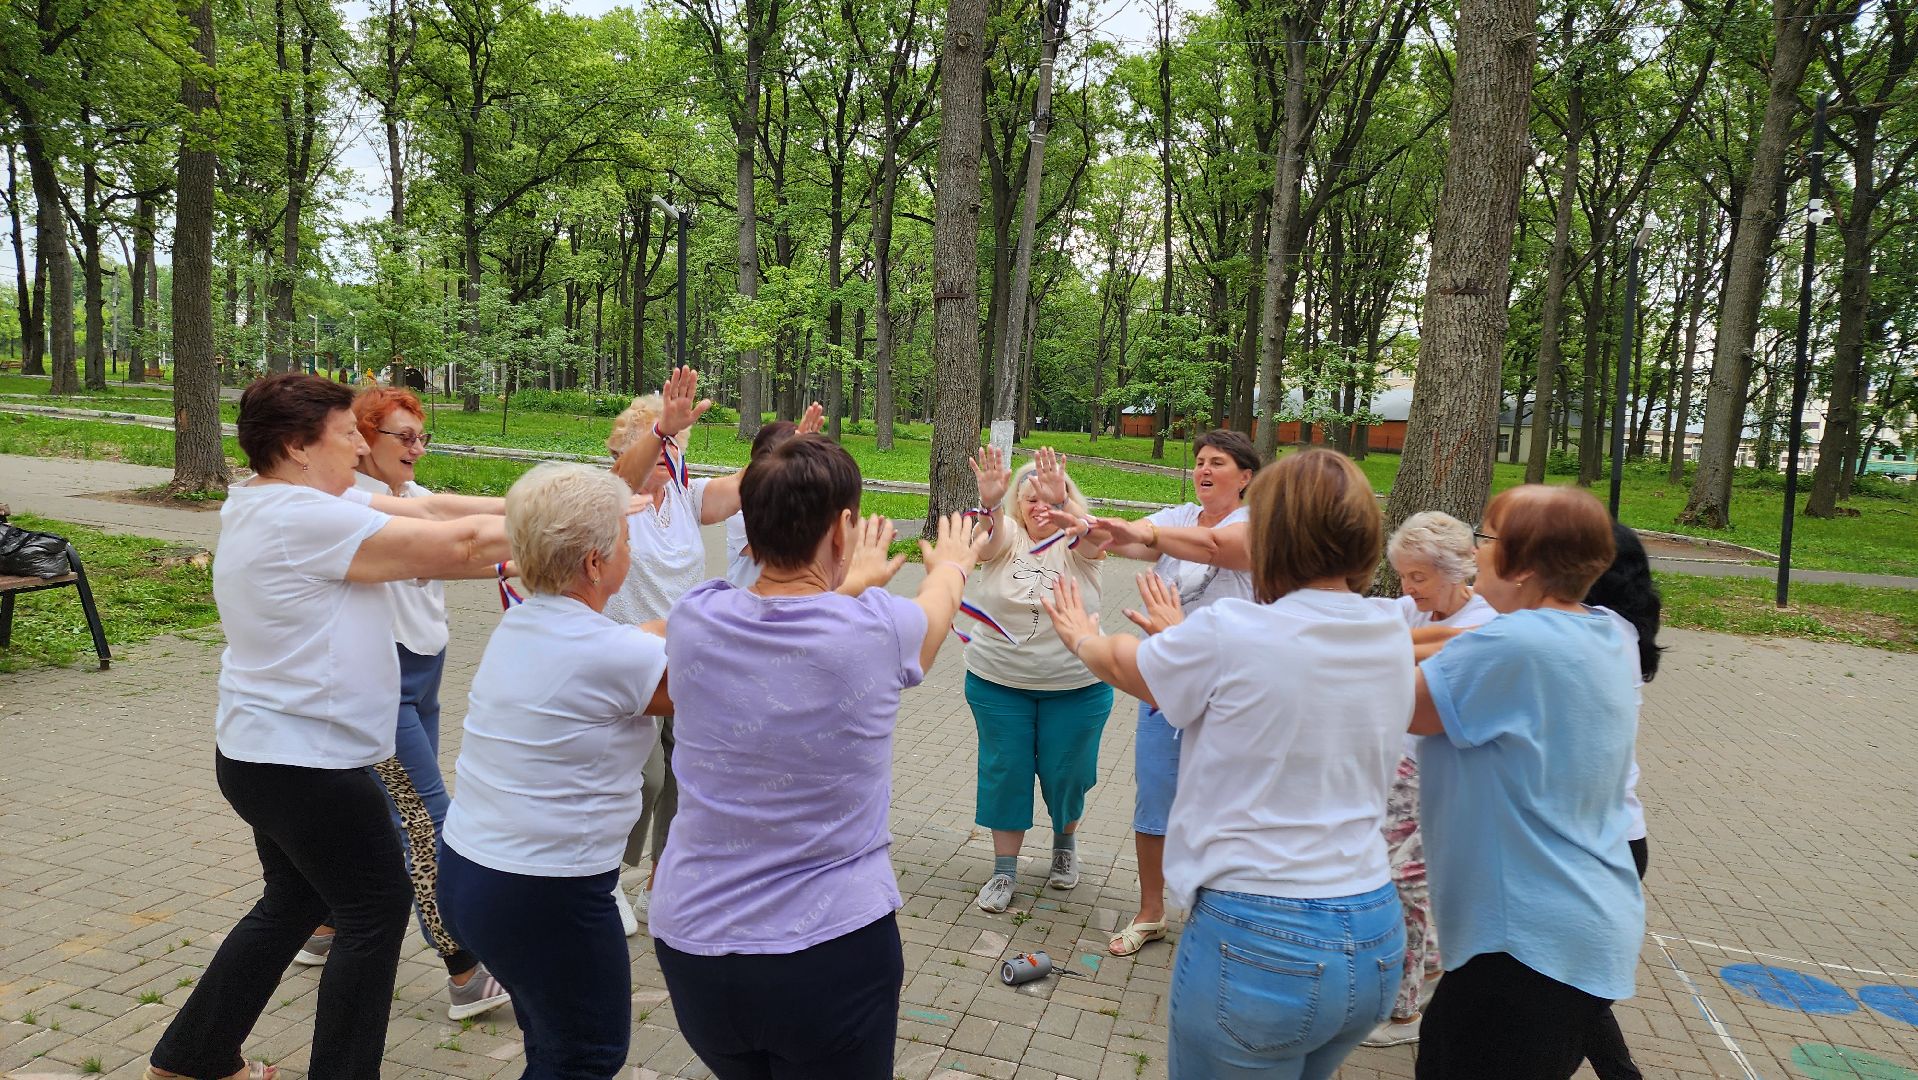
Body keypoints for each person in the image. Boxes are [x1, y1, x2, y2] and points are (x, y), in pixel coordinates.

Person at [145, 373, 511, 1080]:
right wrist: (573, 521)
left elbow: (435, 515)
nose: (360, 447)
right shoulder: (302, 517)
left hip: (267, 754)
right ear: (297, 447)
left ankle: (193, 1058)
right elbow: (460, 546)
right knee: (374, 910)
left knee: (295, 900)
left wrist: (554, 517)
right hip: (306, 766)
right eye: (348, 435)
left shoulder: (276, 499)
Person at [1044, 448, 1412, 1079]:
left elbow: (1125, 667)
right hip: (1374, 931)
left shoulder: (1237, 631)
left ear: (1267, 535)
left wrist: (1079, 631)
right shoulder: (1392, 626)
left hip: (1264, 936)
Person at [650, 436, 986, 1079]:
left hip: (697, 944)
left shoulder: (697, 615)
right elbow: (935, 615)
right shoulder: (876, 629)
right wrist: (951, 561)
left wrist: (847, 577)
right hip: (828, 952)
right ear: (842, 530)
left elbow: (785, 607)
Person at [436, 462, 674, 1080]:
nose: (631, 550)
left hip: (472, 873)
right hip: (544, 892)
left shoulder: (526, 621)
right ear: (595, 563)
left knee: (551, 1037)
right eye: (625, 540)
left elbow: (638, 638)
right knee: (587, 1054)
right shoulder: (615, 654)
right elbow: (730, 670)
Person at [287, 387, 510, 1023]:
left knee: (390, 812)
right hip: (382, 685)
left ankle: (325, 920)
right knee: (427, 823)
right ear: (360, 439)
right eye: (402, 437)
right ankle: (464, 968)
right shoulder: (350, 501)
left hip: (424, 673)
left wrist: (561, 503)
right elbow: (460, 533)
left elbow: (448, 506)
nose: (416, 447)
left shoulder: (409, 496)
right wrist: (539, 545)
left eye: (421, 437)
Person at [1409, 485, 1644, 1080]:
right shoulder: (1606, 629)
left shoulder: (1518, 643)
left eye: (1485, 537)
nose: (1473, 549)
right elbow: (1460, 645)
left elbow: (1390, 705)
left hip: (1525, 945)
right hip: (1558, 928)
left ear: (1525, 565)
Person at [1042, 429, 1261, 956]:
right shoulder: (1178, 516)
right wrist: (1068, 507)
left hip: (1232, 689)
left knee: (1225, 806)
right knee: (1156, 798)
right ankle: (1151, 912)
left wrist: (1141, 534)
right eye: (1200, 461)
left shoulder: (1254, 526)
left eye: (1218, 463)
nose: (1204, 470)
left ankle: (1217, 915)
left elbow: (1216, 549)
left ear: (1246, 477)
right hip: (1164, 681)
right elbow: (1120, 538)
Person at [599, 370, 791, 933]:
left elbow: (750, 481)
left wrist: (795, 451)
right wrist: (658, 430)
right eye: (658, 443)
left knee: (687, 771)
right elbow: (618, 484)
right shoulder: (610, 498)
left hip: (684, 656)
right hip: (626, 655)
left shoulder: (685, 493)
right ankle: (605, 876)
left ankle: (667, 876)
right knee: (646, 776)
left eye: (675, 444)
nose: (668, 454)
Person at [1363, 510, 1496, 1049]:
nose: (1407, 587)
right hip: (1400, 769)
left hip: (1447, 775)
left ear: (1455, 569)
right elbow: (1370, 625)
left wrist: (1375, 655)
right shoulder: (1409, 609)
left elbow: (1453, 649)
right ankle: (1432, 962)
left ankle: (1405, 1011)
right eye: (1402, 575)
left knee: (1405, 884)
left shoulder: (1488, 618)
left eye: (1417, 576)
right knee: (1403, 879)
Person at [959, 445, 1110, 912]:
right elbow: (984, 539)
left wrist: (1064, 503)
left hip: (1077, 686)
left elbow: (1093, 536)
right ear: (1016, 508)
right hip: (999, 683)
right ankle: (1004, 872)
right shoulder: (1006, 540)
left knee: (1068, 775)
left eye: (1051, 499)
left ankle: (1064, 848)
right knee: (1006, 772)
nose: (1040, 508)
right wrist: (988, 504)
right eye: (1030, 500)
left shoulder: (1079, 546)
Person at [1578, 522, 1663, 1080]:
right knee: (1572, 985)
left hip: (1602, 842)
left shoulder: (1597, 630)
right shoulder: (1618, 628)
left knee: (1571, 988)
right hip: (1609, 837)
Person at [723, 407, 822, 589]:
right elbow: (779, 553)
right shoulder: (739, 505)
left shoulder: (807, 498)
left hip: (795, 605)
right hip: (746, 607)